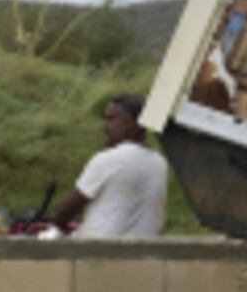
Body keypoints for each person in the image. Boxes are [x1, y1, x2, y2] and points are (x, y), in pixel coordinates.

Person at [50, 93, 170, 239]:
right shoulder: (160, 163)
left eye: (112, 119)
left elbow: (68, 209)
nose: (106, 126)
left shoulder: (108, 159)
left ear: (135, 124)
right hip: (144, 253)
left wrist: (57, 224)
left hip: (99, 252)